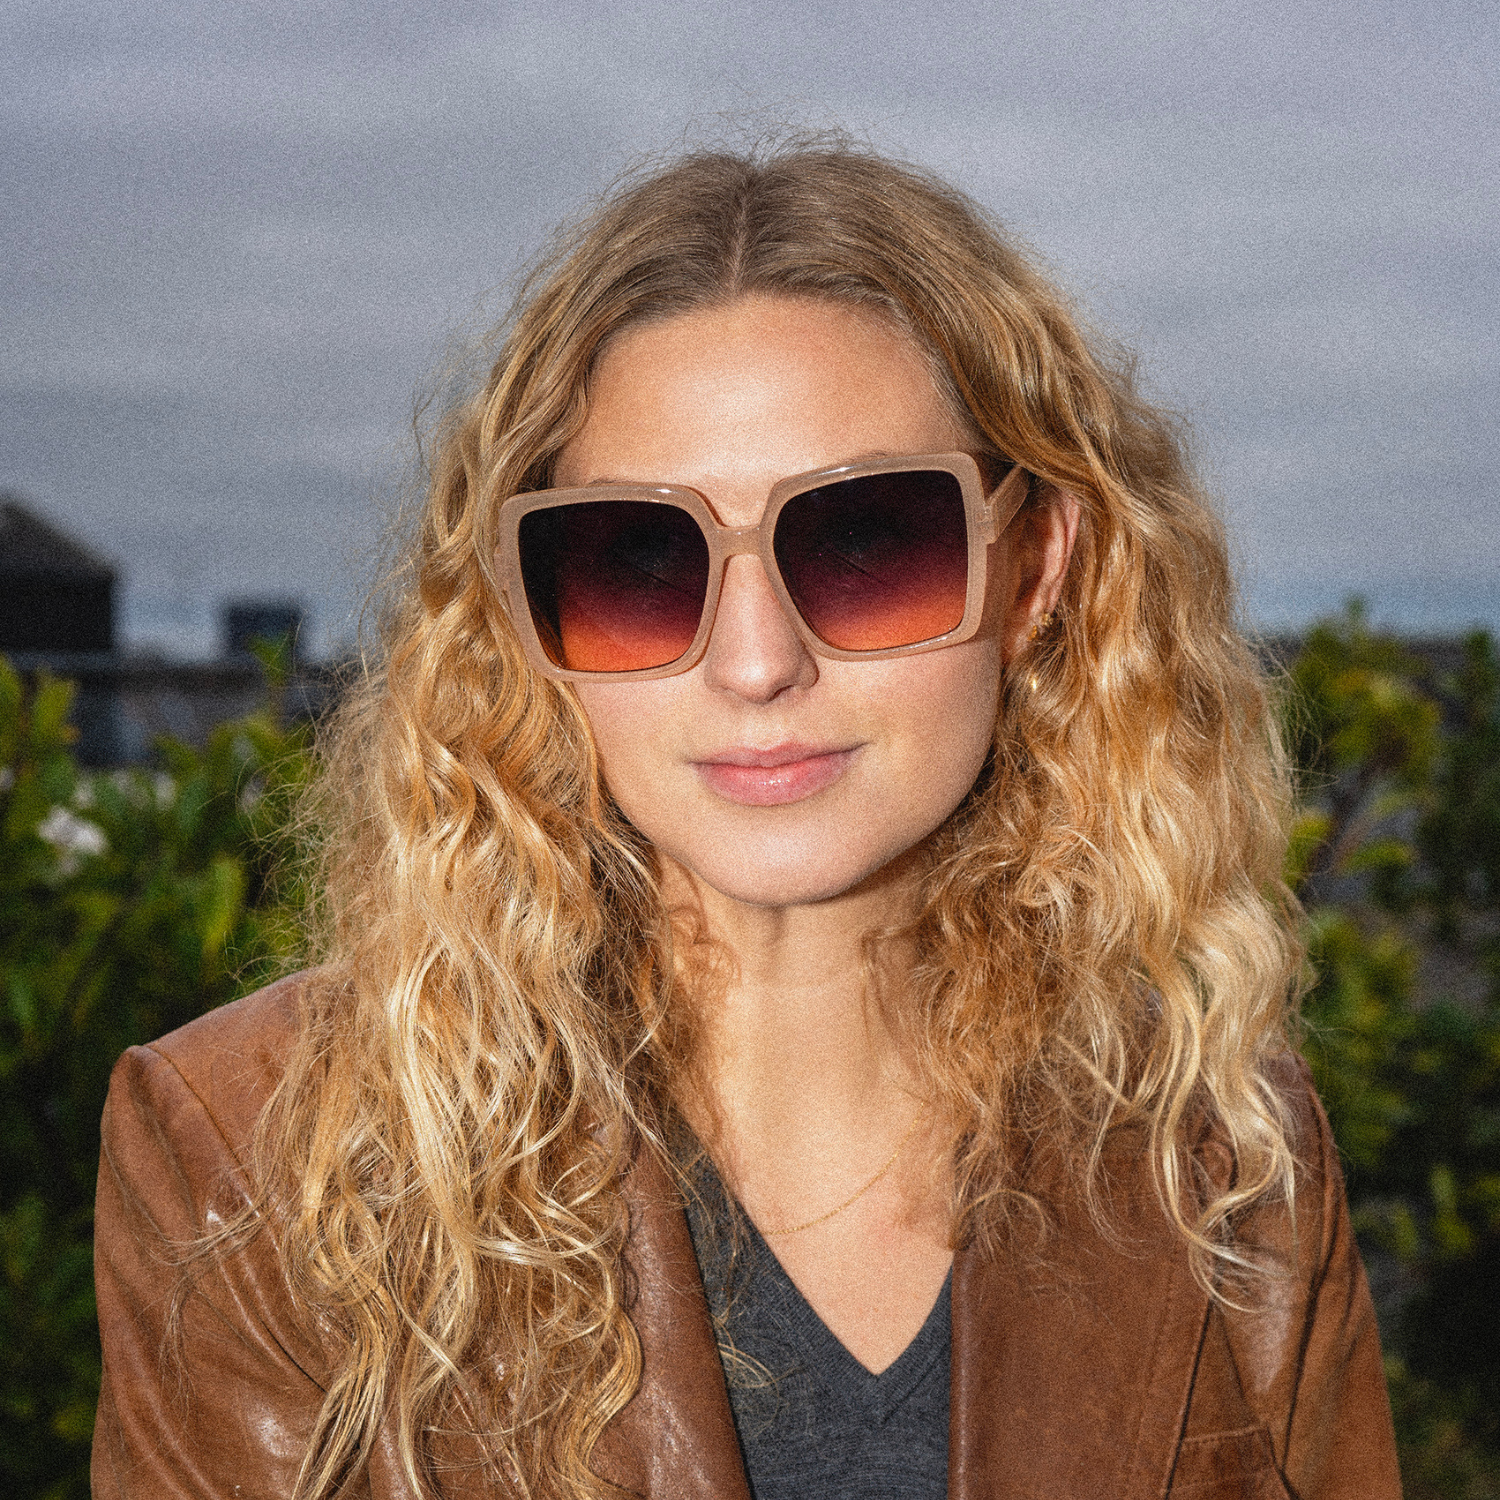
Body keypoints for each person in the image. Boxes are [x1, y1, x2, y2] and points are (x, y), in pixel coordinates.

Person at [92, 141, 1401, 1500]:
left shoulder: (1230, 1169)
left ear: (1032, 571)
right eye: (638, 562)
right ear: (527, 619)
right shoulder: (259, 1163)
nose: (757, 661)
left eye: (865, 540)